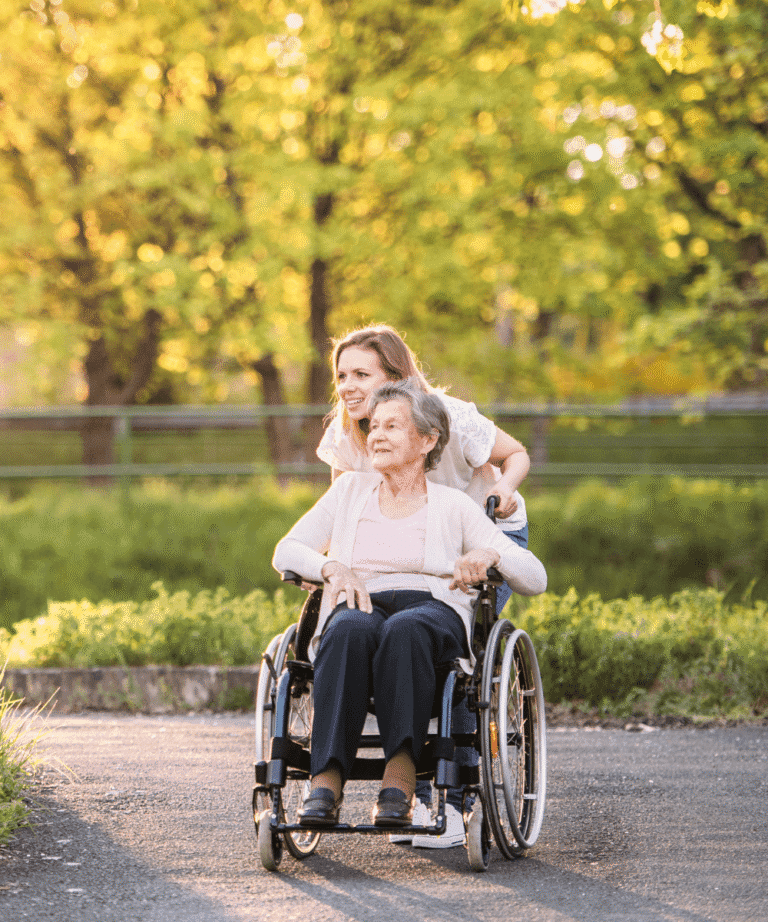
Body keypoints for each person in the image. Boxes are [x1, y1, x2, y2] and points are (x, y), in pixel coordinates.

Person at [272, 380, 547, 832]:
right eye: (374, 426)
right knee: (346, 630)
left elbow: (535, 576)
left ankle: (398, 778)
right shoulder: (349, 492)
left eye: (392, 426)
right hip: (361, 599)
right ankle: (326, 780)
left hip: (431, 608)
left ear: (427, 439)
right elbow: (286, 549)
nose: (376, 434)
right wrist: (332, 568)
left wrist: (491, 555)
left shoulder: (453, 505)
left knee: (407, 630)